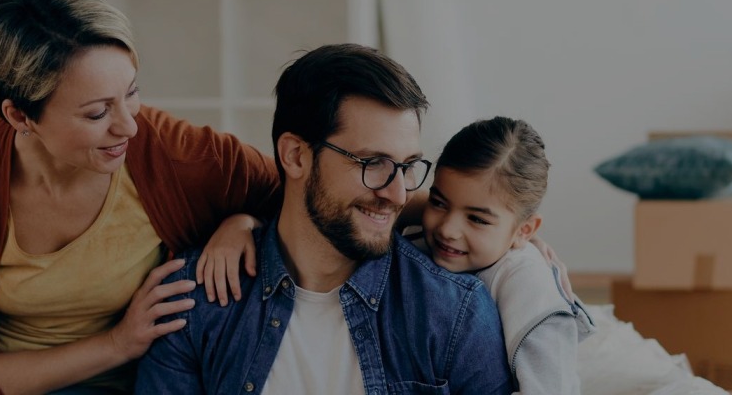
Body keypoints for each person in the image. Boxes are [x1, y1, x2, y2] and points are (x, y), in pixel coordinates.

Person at [0, 0, 280, 394]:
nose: (129, 126)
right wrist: (116, 343)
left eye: (131, 92)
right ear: (19, 116)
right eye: (96, 113)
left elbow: (303, 194)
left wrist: (246, 221)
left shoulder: (177, 154)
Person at [135, 43, 514, 394]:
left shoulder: (453, 313)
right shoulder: (193, 300)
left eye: (408, 166)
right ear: (296, 156)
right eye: (373, 163)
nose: (398, 194)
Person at [411, 116, 595, 394]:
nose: (448, 230)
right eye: (438, 203)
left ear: (524, 230)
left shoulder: (528, 284)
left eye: (477, 219)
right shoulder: (418, 241)